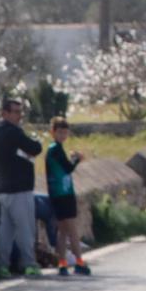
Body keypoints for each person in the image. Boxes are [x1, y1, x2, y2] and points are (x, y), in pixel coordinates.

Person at [0, 96, 45, 275]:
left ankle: (2, 264)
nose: (20, 116)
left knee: (6, 231)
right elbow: (35, 148)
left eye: (20, 112)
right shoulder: (13, 132)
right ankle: (29, 263)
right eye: (16, 112)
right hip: (20, 187)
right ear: (5, 113)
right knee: (25, 228)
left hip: (2, 188)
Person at [45, 117, 88, 274]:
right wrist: (76, 159)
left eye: (65, 132)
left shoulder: (56, 149)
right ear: (53, 132)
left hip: (60, 194)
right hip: (62, 195)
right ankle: (79, 261)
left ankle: (62, 262)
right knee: (72, 231)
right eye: (60, 132)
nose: (63, 135)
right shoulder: (55, 149)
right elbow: (68, 168)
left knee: (62, 231)